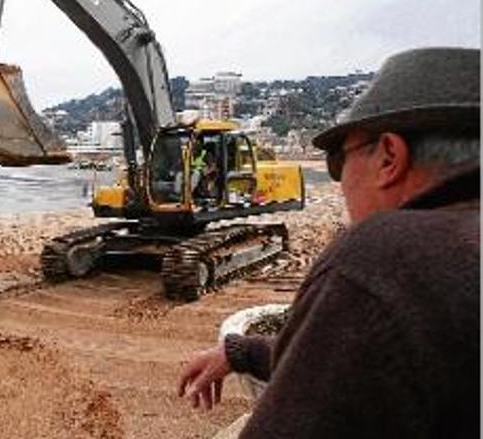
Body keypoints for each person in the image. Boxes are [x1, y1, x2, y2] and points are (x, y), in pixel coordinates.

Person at [177, 47, 480, 437]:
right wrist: (241, 352)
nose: (339, 186)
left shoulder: (384, 255)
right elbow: (355, 359)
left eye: (338, 162)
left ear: (389, 156)